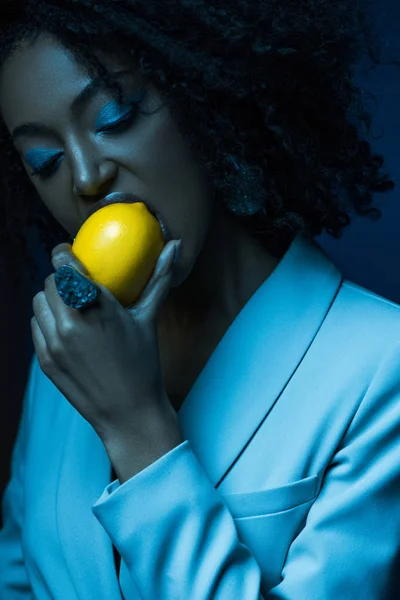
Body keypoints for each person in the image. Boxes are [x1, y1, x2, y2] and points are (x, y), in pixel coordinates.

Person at [0, 0, 399, 598]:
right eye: (45, 161)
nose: (85, 177)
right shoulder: (65, 349)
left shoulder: (380, 367)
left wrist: (135, 426)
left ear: (207, 100)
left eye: (116, 116)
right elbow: (19, 577)